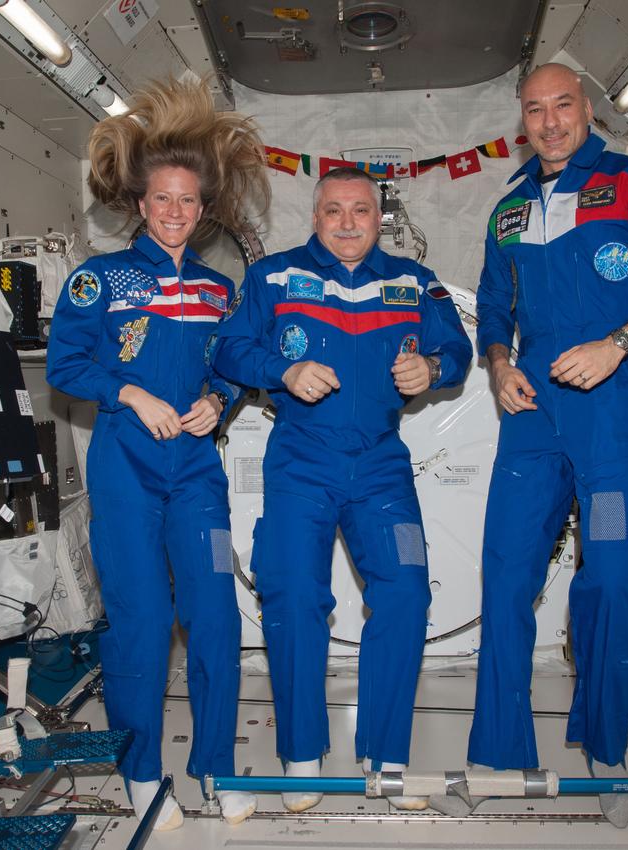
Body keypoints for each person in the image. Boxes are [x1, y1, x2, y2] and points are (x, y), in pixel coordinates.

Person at [465, 63, 628, 827]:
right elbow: (492, 306)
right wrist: (501, 364)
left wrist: (617, 343)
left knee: (610, 578)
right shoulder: (508, 209)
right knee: (506, 579)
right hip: (532, 420)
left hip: (610, 419)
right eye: (534, 110)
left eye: (562, 107)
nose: (548, 123)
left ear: (588, 111)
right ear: (522, 120)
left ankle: (605, 750)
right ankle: (500, 751)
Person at [45, 78, 269, 830]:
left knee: (214, 617)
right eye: (162, 200)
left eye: (189, 202)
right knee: (139, 623)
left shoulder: (216, 290)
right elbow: (65, 365)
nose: (175, 213)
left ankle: (219, 765)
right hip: (127, 473)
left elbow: (228, 369)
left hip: (196, 476)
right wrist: (130, 394)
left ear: (204, 211)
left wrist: (218, 401)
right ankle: (142, 771)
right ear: (140, 204)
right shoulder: (98, 281)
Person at [213, 167, 472, 812]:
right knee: (294, 593)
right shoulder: (274, 277)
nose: (349, 222)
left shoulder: (413, 282)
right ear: (316, 216)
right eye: (335, 211)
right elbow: (229, 350)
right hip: (300, 461)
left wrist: (433, 367)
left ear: (379, 216)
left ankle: (385, 754)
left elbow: (460, 352)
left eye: (360, 210)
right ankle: (302, 754)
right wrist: (283, 368)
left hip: (382, 467)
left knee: (407, 592)